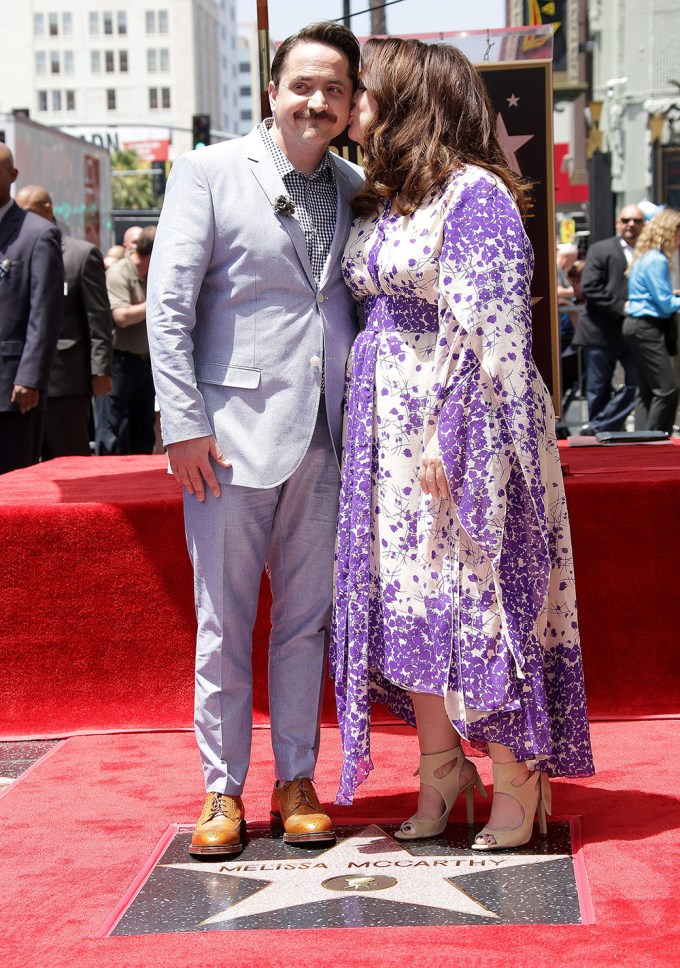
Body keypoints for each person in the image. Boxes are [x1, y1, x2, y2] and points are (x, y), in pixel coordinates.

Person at [330, 37, 594, 851]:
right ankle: (442, 770)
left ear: (411, 101)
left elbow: (496, 337)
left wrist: (455, 432)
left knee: (476, 596)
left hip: (459, 435)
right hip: (387, 433)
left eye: (364, 92)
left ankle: (518, 772)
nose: (350, 105)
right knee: (406, 601)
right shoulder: (386, 201)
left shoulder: (474, 196)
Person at [147, 21, 363, 857]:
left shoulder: (355, 183)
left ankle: (298, 777)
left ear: (350, 105)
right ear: (272, 91)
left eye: (335, 90)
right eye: (303, 85)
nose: (317, 101)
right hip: (227, 440)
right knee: (222, 621)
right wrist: (184, 424)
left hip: (327, 438)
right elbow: (169, 306)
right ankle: (221, 791)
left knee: (307, 622)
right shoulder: (207, 171)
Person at [14, 184, 113, 459]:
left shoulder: (80, 255)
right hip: (18, 379)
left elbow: (98, 318)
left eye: (28, 212)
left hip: (66, 382)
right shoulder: (14, 253)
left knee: (68, 457)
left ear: (47, 210)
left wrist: (100, 371)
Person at [0, 145, 64, 474]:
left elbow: (45, 312)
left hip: (12, 388)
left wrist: (30, 377)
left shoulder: (38, 235)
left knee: (11, 485)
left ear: (11, 176)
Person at [571, 205, 644, 435]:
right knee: (598, 390)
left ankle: (597, 427)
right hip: (599, 331)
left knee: (638, 383)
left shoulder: (649, 251)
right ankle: (599, 438)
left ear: (644, 225)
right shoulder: (600, 249)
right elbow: (590, 286)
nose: (631, 224)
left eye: (636, 220)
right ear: (617, 223)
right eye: (626, 220)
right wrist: (620, 306)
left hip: (634, 332)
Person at [96, 226, 156, 455]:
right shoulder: (119, 273)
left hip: (146, 363)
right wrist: (159, 302)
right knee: (110, 429)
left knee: (143, 429)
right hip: (119, 362)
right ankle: (102, 479)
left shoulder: (153, 274)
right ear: (150, 253)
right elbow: (121, 316)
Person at [622, 208, 680, 433]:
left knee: (647, 390)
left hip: (638, 326)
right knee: (667, 389)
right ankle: (656, 438)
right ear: (669, 231)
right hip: (646, 326)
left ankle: (643, 438)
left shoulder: (646, 256)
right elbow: (664, 304)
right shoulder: (656, 259)